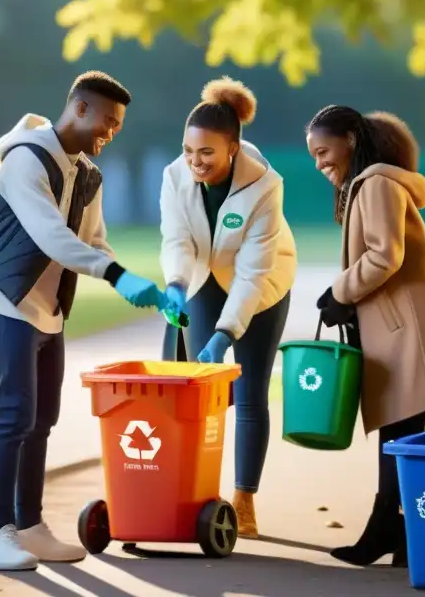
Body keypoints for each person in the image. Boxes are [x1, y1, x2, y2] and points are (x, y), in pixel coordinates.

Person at [0, 70, 168, 572]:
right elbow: (49, 236)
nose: (111, 132)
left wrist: (137, 281)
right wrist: (116, 275)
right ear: (78, 108)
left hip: (48, 309)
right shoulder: (24, 160)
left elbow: (93, 241)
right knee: (13, 415)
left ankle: (29, 526)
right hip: (7, 301)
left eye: (119, 126)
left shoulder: (88, 175)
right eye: (108, 121)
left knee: (42, 421)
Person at [306, 105, 425, 568]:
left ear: (352, 140)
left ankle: (387, 527)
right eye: (315, 157)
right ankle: (398, 533)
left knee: (398, 437)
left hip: (405, 332)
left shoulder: (377, 184)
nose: (321, 164)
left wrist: (338, 291)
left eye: (324, 152)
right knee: (399, 437)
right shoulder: (369, 185)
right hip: (397, 329)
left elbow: (385, 256)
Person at [158, 77, 297, 540]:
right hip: (201, 280)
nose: (195, 162)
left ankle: (244, 497)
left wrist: (226, 332)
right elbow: (176, 239)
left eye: (207, 154)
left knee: (251, 392)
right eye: (189, 151)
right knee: (204, 396)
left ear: (234, 147)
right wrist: (176, 283)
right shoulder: (175, 174)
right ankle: (200, 493)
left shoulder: (265, 187)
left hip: (260, 288)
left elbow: (254, 272)